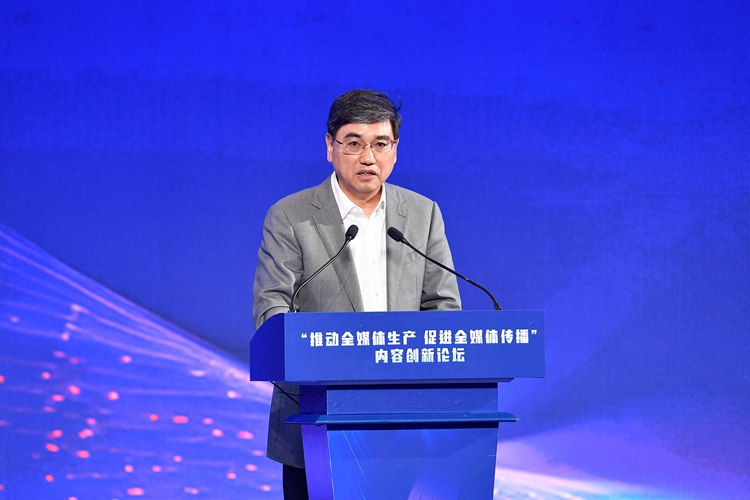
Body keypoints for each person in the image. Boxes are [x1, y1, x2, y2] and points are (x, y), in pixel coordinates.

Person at [252, 89, 461, 500]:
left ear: (395, 149)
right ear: (330, 146)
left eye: (380, 144)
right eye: (354, 143)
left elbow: (444, 306)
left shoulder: (423, 213)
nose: (368, 158)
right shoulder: (291, 216)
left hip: (403, 424)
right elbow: (272, 310)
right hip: (315, 420)